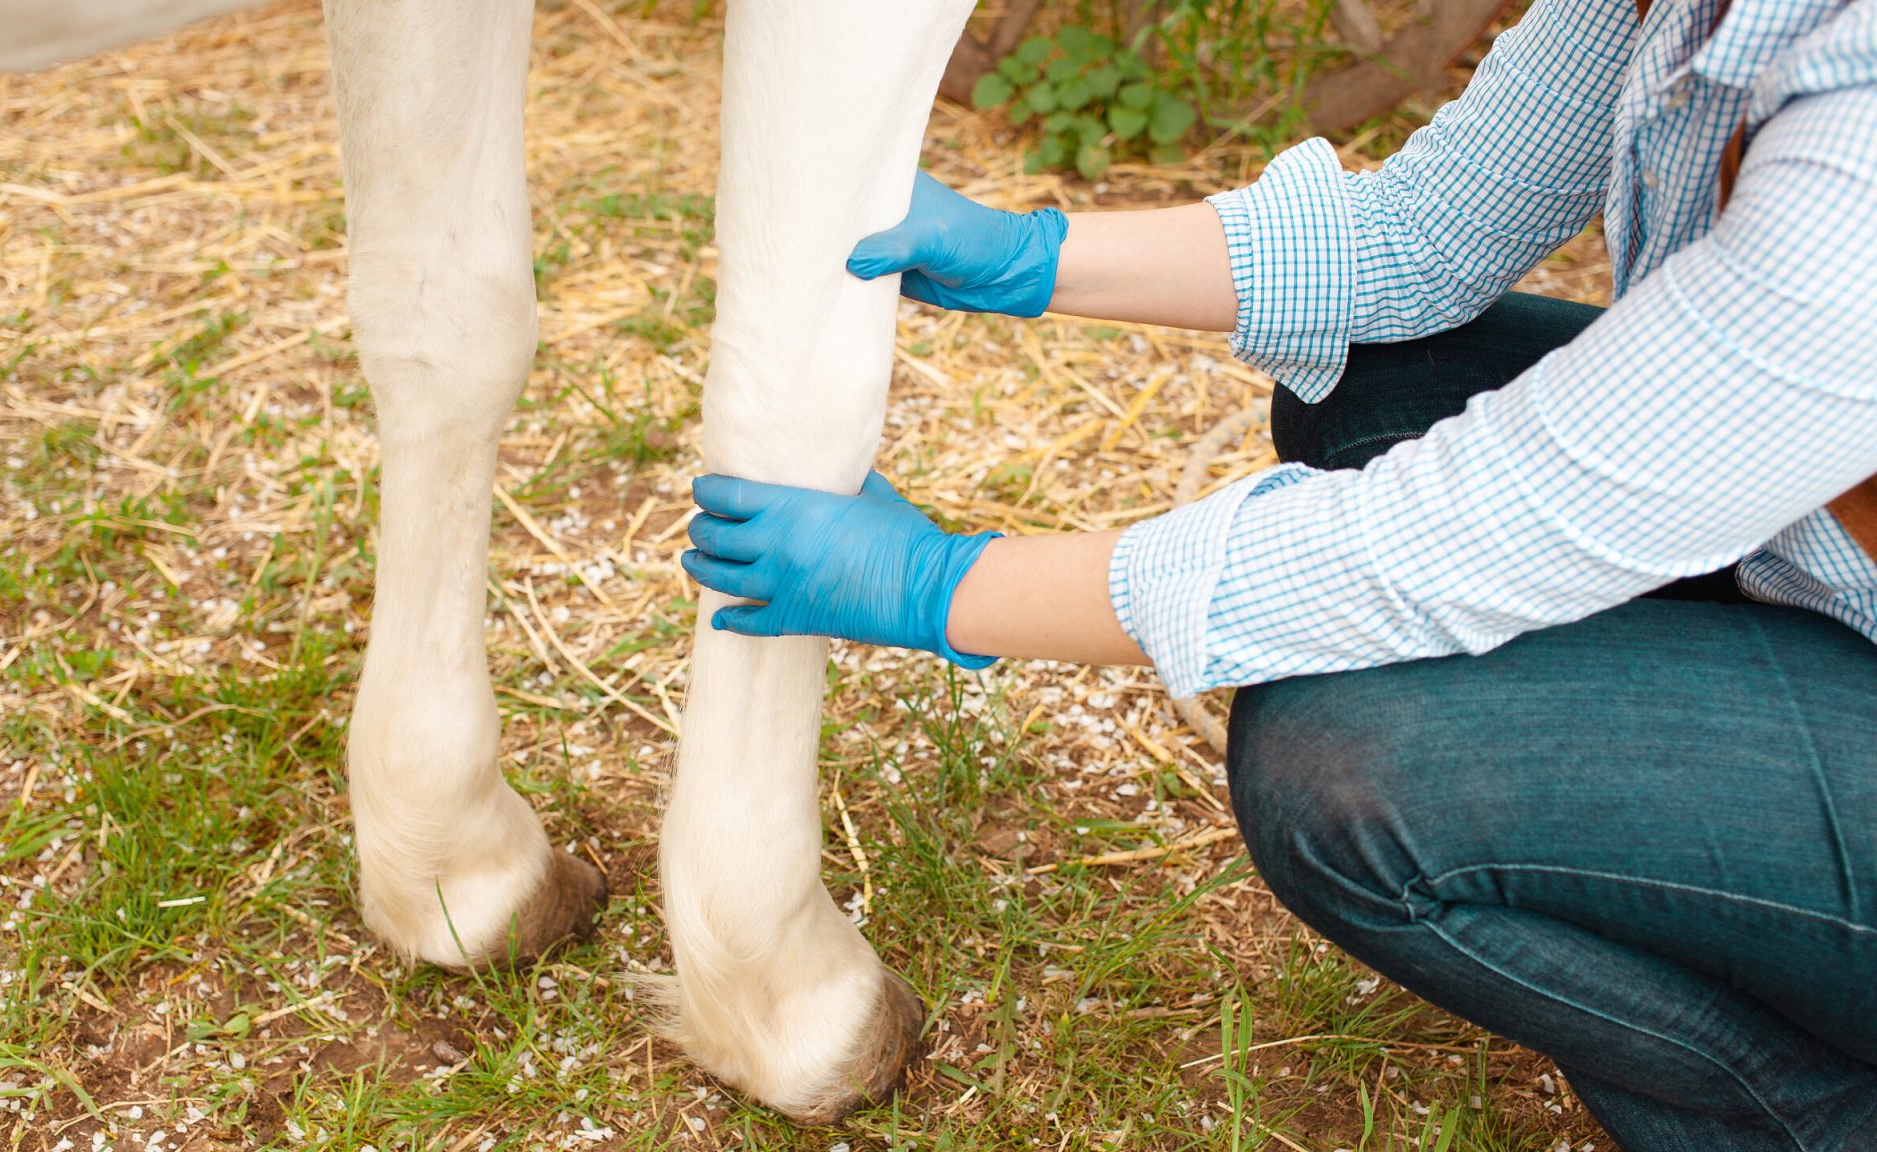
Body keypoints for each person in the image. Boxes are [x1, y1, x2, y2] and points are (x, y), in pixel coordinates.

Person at [677, 0, 1877, 1146]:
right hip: (1817, 573)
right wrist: (1032, 254)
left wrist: (945, 588)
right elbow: (1424, 231)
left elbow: (1459, 535)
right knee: (1373, 378)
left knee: (1347, 774)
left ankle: (1812, 1121)